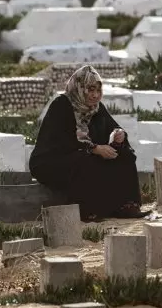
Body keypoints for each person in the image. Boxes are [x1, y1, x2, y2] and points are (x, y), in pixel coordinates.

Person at [29, 65, 150, 222]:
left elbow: (112, 127)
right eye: (90, 90)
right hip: (51, 162)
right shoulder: (62, 105)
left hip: (82, 156)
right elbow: (62, 141)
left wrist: (118, 136)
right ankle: (87, 210)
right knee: (84, 159)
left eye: (98, 91)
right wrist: (94, 148)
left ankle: (126, 206)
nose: (95, 95)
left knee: (125, 154)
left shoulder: (97, 109)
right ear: (80, 87)